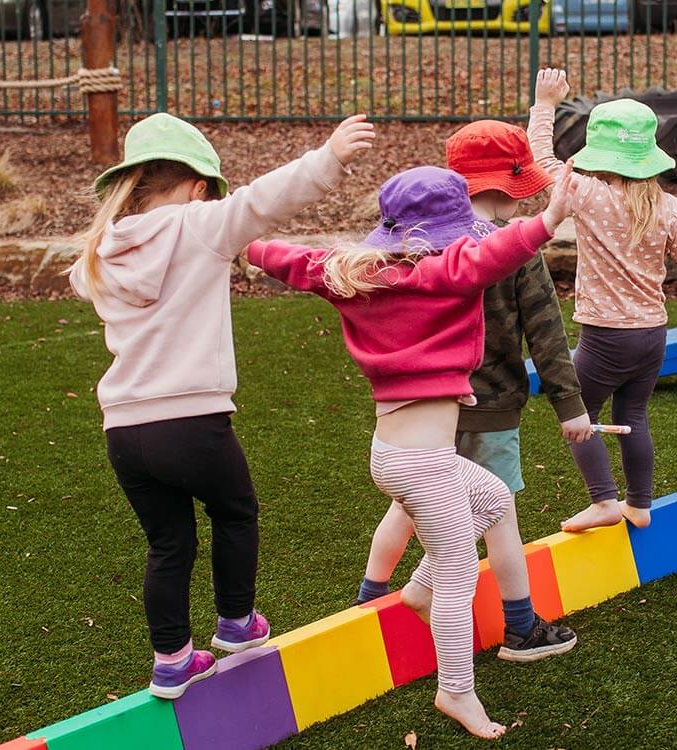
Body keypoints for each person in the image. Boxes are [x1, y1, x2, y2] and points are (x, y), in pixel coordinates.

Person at [245, 164, 576, 739]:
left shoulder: (355, 273)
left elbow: (287, 259)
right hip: (422, 463)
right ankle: (456, 690)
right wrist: (551, 217)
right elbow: (499, 252)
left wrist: (233, 236)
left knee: (494, 500)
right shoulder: (447, 275)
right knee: (457, 570)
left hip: (403, 454)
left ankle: (417, 593)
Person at [70, 112, 374, 699]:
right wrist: (330, 156)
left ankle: (172, 661)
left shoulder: (103, 249)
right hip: (190, 422)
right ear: (199, 186)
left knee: (168, 542)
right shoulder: (200, 225)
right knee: (235, 512)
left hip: (124, 431)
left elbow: (90, 288)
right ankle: (236, 624)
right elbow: (265, 200)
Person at [355, 121, 586, 664]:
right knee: (498, 513)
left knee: (413, 503)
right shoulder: (516, 246)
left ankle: (369, 597)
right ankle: (521, 627)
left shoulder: (414, 244)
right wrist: (569, 405)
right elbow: (546, 333)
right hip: (493, 406)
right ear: (507, 188)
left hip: (421, 409)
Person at [529, 68, 677, 533]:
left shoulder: (587, 194)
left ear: (601, 155)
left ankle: (604, 501)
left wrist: (546, 104)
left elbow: (541, 160)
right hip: (652, 336)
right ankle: (639, 505)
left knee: (579, 414)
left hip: (605, 337)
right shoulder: (669, 207)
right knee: (633, 414)